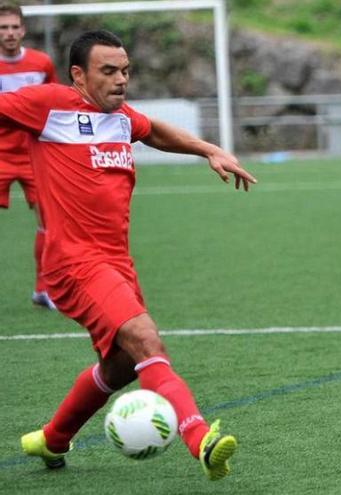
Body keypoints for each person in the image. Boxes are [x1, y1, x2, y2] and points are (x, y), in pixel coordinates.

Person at [5, 30, 257, 481]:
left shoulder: (119, 115)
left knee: (121, 365)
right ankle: (201, 440)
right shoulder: (48, 104)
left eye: (125, 70)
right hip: (73, 263)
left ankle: (52, 439)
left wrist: (208, 150)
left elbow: (152, 130)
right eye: (109, 71)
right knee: (146, 340)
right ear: (78, 74)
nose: (121, 79)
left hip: (117, 263)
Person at [0, 3, 58, 308]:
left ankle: (43, 288)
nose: (9, 33)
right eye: (3, 27)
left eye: (13, 27)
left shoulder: (41, 63)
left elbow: (54, 105)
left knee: (49, 223)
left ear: (23, 29)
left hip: (34, 155)